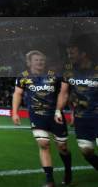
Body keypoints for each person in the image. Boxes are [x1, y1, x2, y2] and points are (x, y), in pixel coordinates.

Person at [12, 50, 72, 187]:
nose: (40, 62)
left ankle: (68, 170)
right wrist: (14, 113)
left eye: (42, 60)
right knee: (43, 144)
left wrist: (59, 110)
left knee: (62, 147)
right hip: (37, 116)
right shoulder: (23, 77)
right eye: (36, 60)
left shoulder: (54, 75)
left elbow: (63, 92)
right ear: (29, 62)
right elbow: (17, 94)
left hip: (55, 116)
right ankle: (49, 179)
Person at [55, 35, 98, 174]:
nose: (69, 55)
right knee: (86, 151)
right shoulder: (68, 69)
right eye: (68, 53)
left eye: (72, 53)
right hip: (82, 117)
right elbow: (64, 92)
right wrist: (58, 110)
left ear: (83, 53)